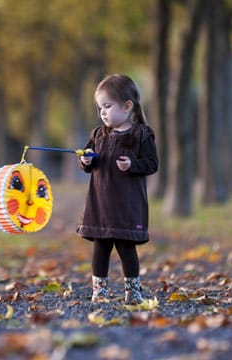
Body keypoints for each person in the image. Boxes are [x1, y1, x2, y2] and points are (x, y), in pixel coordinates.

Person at [77, 74, 158, 304]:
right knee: (100, 247)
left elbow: (152, 164)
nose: (102, 112)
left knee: (126, 247)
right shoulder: (98, 135)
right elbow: (87, 159)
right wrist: (85, 161)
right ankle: (99, 291)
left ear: (127, 106)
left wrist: (133, 165)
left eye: (107, 106)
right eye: (99, 107)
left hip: (127, 205)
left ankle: (133, 291)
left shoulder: (141, 135)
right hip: (100, 203)